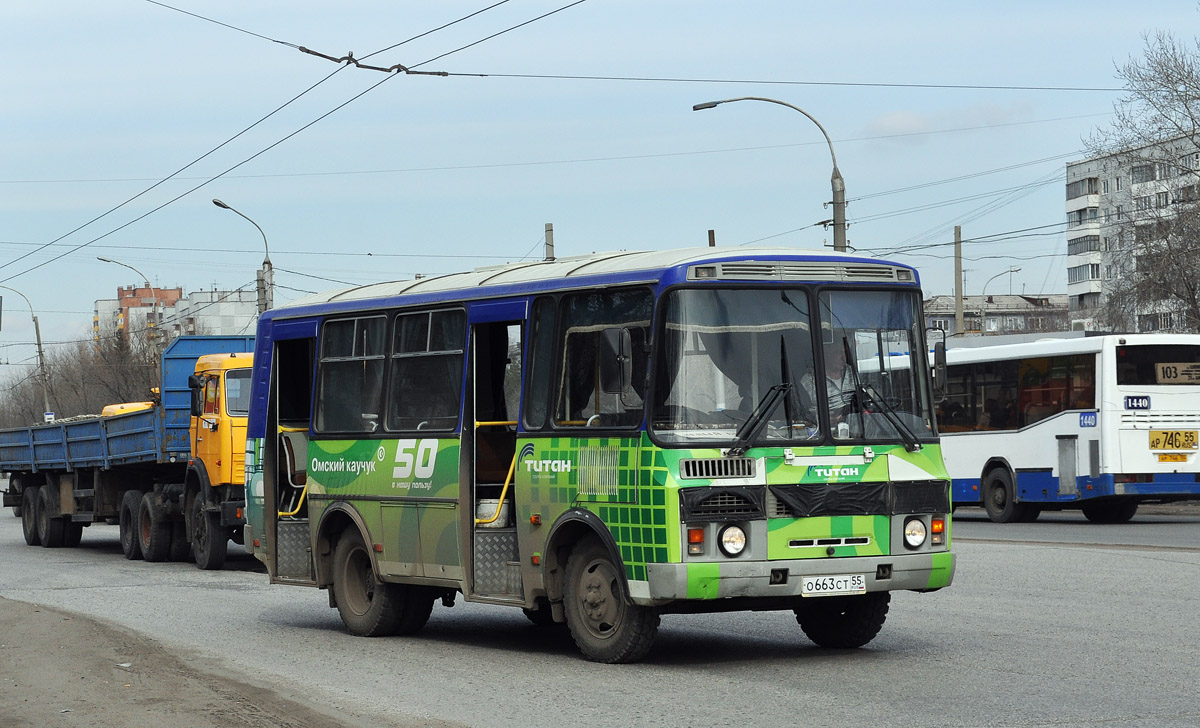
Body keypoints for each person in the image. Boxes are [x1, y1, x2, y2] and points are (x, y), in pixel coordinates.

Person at [800, 333, 857, 431]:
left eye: (844, 352)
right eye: (838, 353)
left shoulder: (853, 373)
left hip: (856, 431)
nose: (843, 358)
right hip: (824, 432)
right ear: (825, 354)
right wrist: (820, 418)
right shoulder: (808, 381)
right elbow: (801, 414)